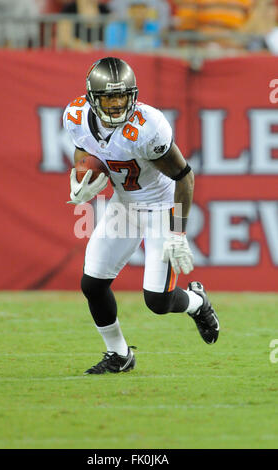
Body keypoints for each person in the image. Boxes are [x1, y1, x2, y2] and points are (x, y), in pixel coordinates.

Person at [63, 57, 220, 374]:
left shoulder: (149, 127)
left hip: (161, 206)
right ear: (93, 99)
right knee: (92, 284)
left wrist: (177, 232)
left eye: (122, 96)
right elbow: (85, 150)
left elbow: (184, 177)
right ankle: (119, 354)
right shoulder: (76, 116)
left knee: (157, 302)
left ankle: (197, 302)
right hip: (123, 205)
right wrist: (84, 178)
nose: (117, 104)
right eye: (109, 97)